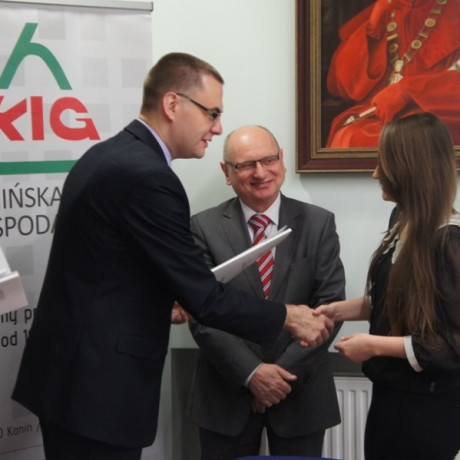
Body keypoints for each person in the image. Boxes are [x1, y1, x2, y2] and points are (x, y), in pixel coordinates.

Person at [11, 53, 334, 460]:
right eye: (212, 113)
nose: (217, 127)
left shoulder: (108, 154)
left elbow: (108, 270)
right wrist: (287, 316)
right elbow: (206, 299)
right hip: (97, 388)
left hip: (71, 377)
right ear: (172, 104)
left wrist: (163, 297)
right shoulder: (149, 177)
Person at [187, 125, 346, 459]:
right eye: (246, 165)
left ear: (282, 160)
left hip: (300, 392)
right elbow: (200, 311)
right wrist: (252, 374)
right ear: (227, 172)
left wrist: (279, 377)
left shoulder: (318, 223)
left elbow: (330, 307)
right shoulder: (202, 227)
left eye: (268, 160)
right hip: (226, 393)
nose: (260, 173)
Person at [316, 112, 460, 460]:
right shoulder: (401, 220)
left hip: (430, 410)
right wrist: (334, 311)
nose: (376, 173)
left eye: (385, 163)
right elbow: (395, 297)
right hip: (391, 399)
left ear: (411, 169)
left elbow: (451, 345)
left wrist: (372, 345)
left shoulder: (449, 241)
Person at [325, 0, 460, 148]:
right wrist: (372, 32)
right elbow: (341, 87)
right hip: (378, 117)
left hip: (434, 118)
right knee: (349, 136)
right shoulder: (386, 7)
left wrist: (408, 91)